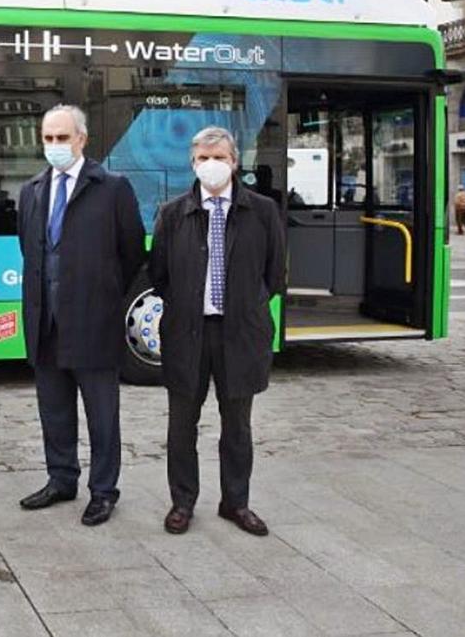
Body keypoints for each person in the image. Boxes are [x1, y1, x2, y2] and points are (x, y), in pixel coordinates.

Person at [150, 126, 286, 537]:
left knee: (238, 426)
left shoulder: (261, 211)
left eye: (220, 157)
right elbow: (159, 274)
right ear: (193, 164)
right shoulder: (173, 214)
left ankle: (236, 502)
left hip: (240, 334)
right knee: (181, 427)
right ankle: (182, 502)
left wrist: (244, 303)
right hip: (188, 334)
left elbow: (275, 273)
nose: (212, 165)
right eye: (203, 158)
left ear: (234, 162)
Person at [16, 105, 146, 526]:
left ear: (81, 140)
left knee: (101, 415)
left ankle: (103, 490)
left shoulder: (111, 188)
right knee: (54, 410)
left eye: (62, 138)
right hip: (45, 324)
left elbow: (131, 255)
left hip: (94, 323)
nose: (54, 146)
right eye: (48, 138)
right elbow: (30, 251)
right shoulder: (32, 190)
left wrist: (103, 296)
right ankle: (61, 478)